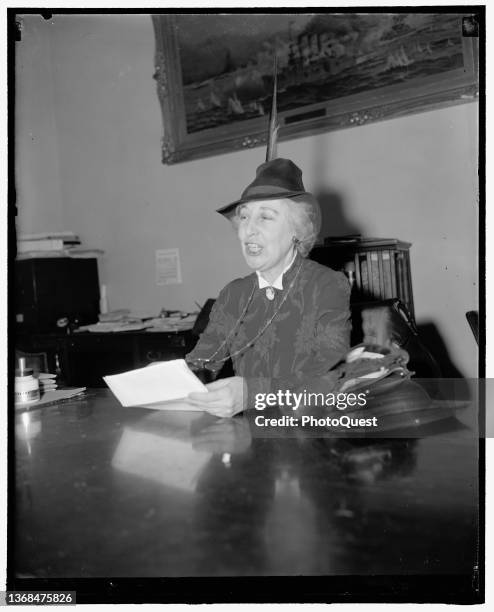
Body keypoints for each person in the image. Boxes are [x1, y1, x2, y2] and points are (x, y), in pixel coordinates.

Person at [186, 158, 351, 417]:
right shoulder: (234, 293)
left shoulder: (326, 285)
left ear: (297, 230)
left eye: (265, 217)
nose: (248, 230)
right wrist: (172, 382)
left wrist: (252, 394)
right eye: (244, 218)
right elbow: (204, 360)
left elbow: (329, 375)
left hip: (311, 434)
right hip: (249, 437)